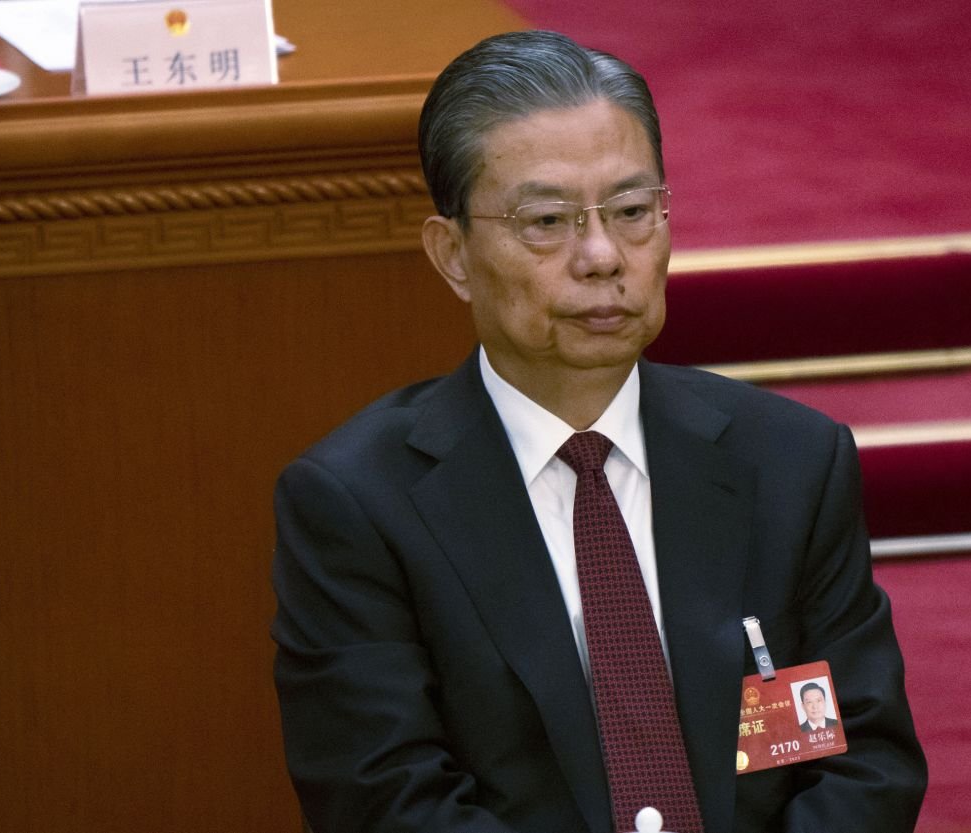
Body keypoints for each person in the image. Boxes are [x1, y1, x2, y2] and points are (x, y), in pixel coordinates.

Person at [270, 29, 926, 833]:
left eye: (630, 210)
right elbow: (386, 802)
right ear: (453, 256)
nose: (602, 255)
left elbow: (864, 761)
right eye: (546, 220)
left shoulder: (790, 459)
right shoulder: (358, 504)